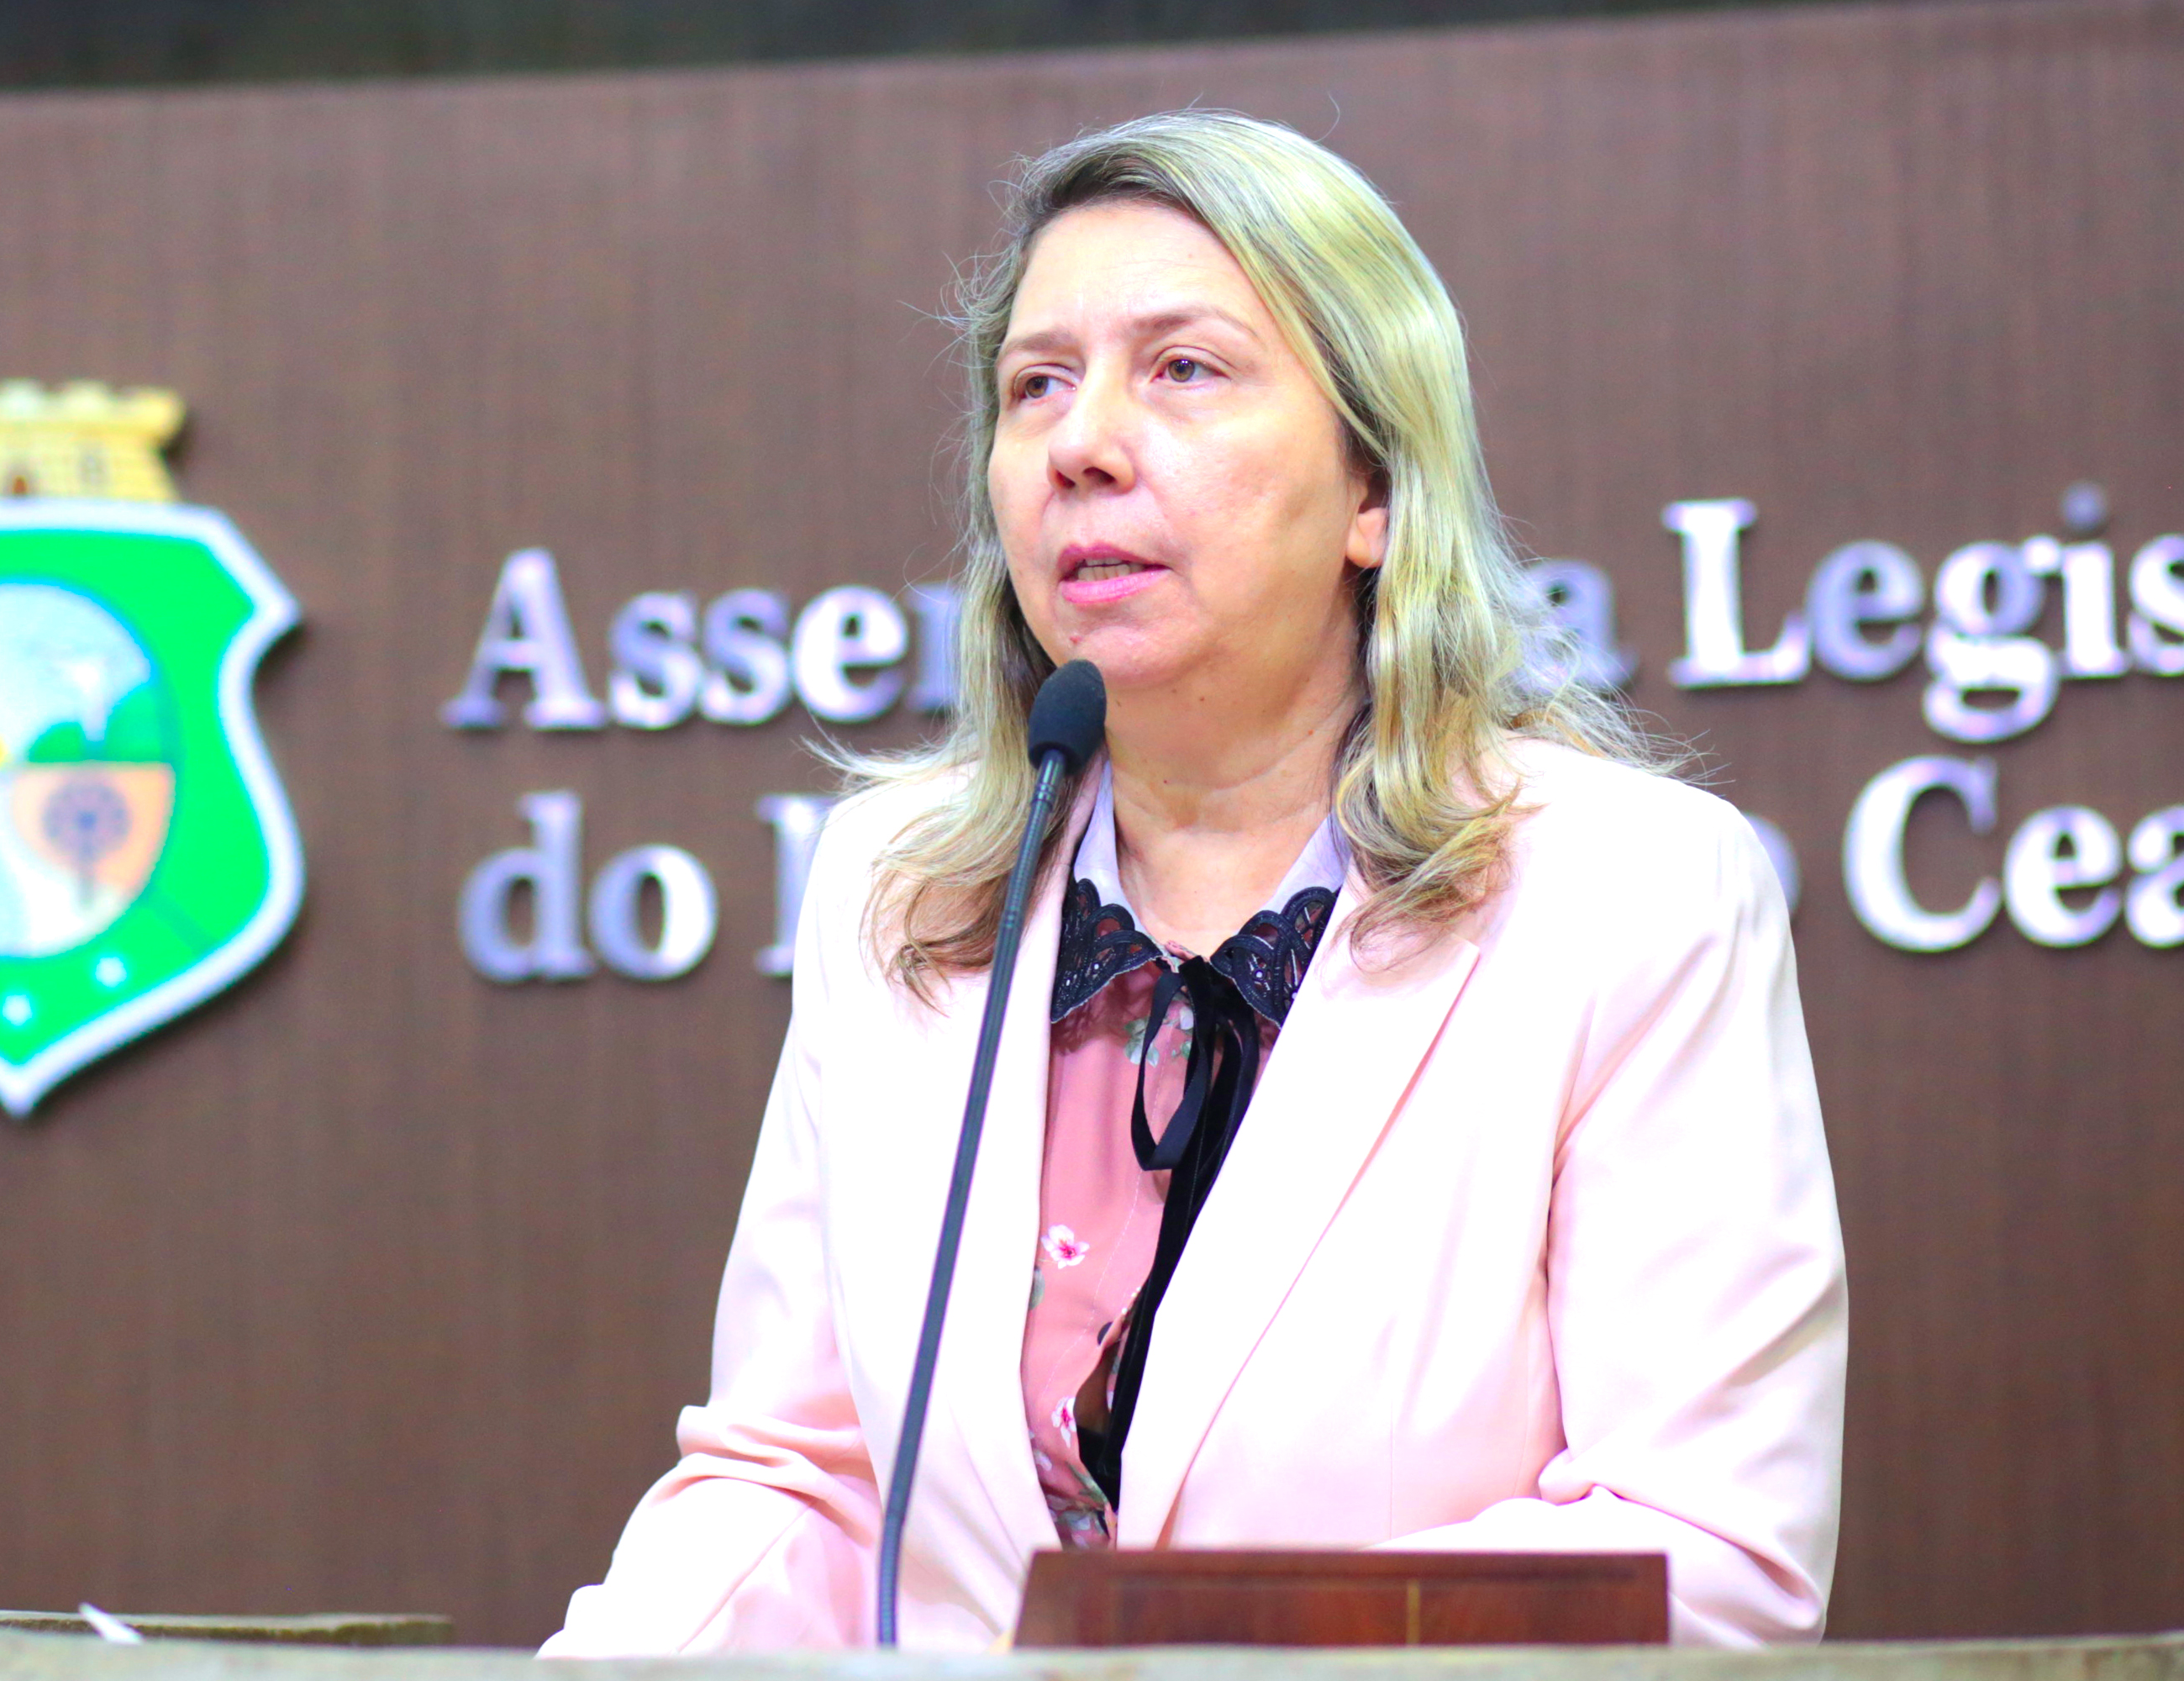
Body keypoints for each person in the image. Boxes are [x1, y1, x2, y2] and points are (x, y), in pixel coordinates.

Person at [542, 110, 1845, 1654]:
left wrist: (1195, 1653)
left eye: (1183, 369)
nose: (1081, 445)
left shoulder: (1627, 893)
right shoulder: (899, 889)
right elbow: (805, 1483)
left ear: (1374, 488)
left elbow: (1704, 1550)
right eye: (1037, 385)